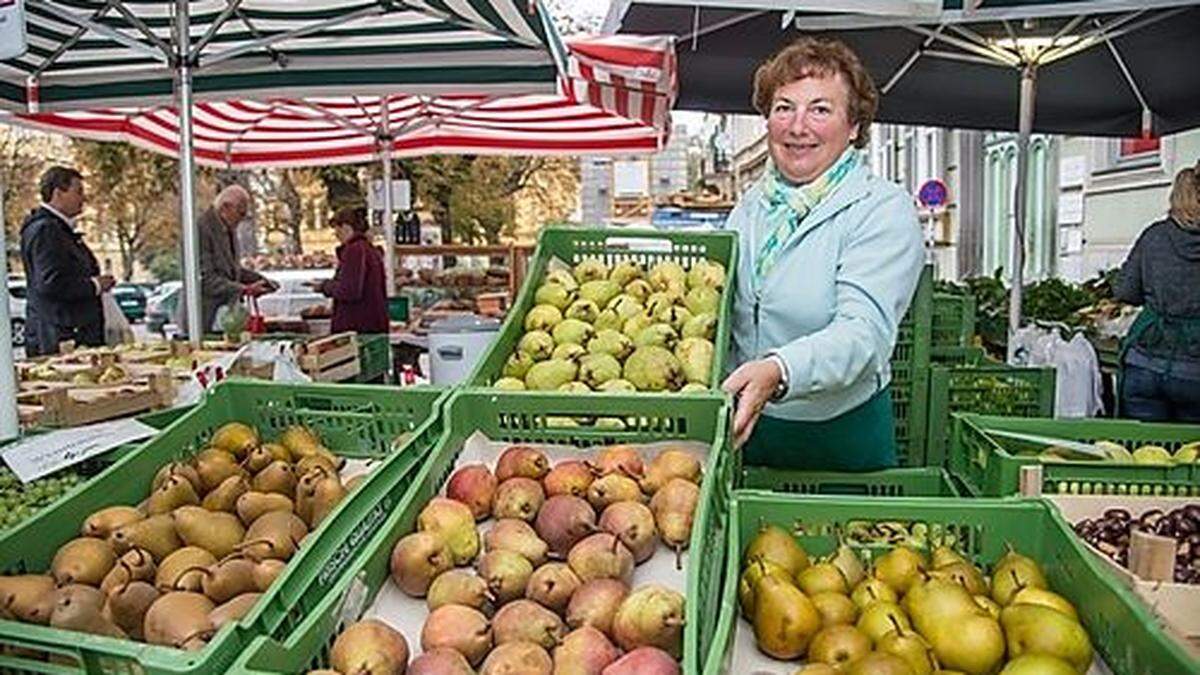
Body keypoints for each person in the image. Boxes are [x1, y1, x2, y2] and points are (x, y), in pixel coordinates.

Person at [720, 37, 925, 471]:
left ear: (853, 125)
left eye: (820, 109)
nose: (798, 126)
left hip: (840, 431)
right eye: (783, 107)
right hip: (748, 425)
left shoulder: (881, 208)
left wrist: (778, 370)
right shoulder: (752, 207)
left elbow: (863, 334)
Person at [1113, 161, 1200, 422]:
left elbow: (1126, 290)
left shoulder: (1153, 236)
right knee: (1191, 454)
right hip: (1194, 371)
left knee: (1145, 451)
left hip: (1144, 364)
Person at [20, 166, 115, 356]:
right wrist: (94, 285)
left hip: (65, 333)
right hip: (62, 337)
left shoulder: (56, 229)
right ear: (58, 193)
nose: (83, 199)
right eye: (78, 192)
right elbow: (51, 282)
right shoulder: (47, 230)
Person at [194, 184, 277, 333]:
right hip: (205, 317)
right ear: (225, 208)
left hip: (226, 317)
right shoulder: (201, 229)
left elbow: (231, 269)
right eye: (240, 213)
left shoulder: (228, 228)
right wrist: (245, 289)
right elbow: (206, 279)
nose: (242, 219)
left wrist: (260, 280)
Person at [311, 206, 389, 334]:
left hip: (357, 328)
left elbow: (349, 290)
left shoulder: (354, 250)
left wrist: (324, 286)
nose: (336, 234)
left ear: (346, 227)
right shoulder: (368, 249)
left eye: (337, 229)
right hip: (371, 324)